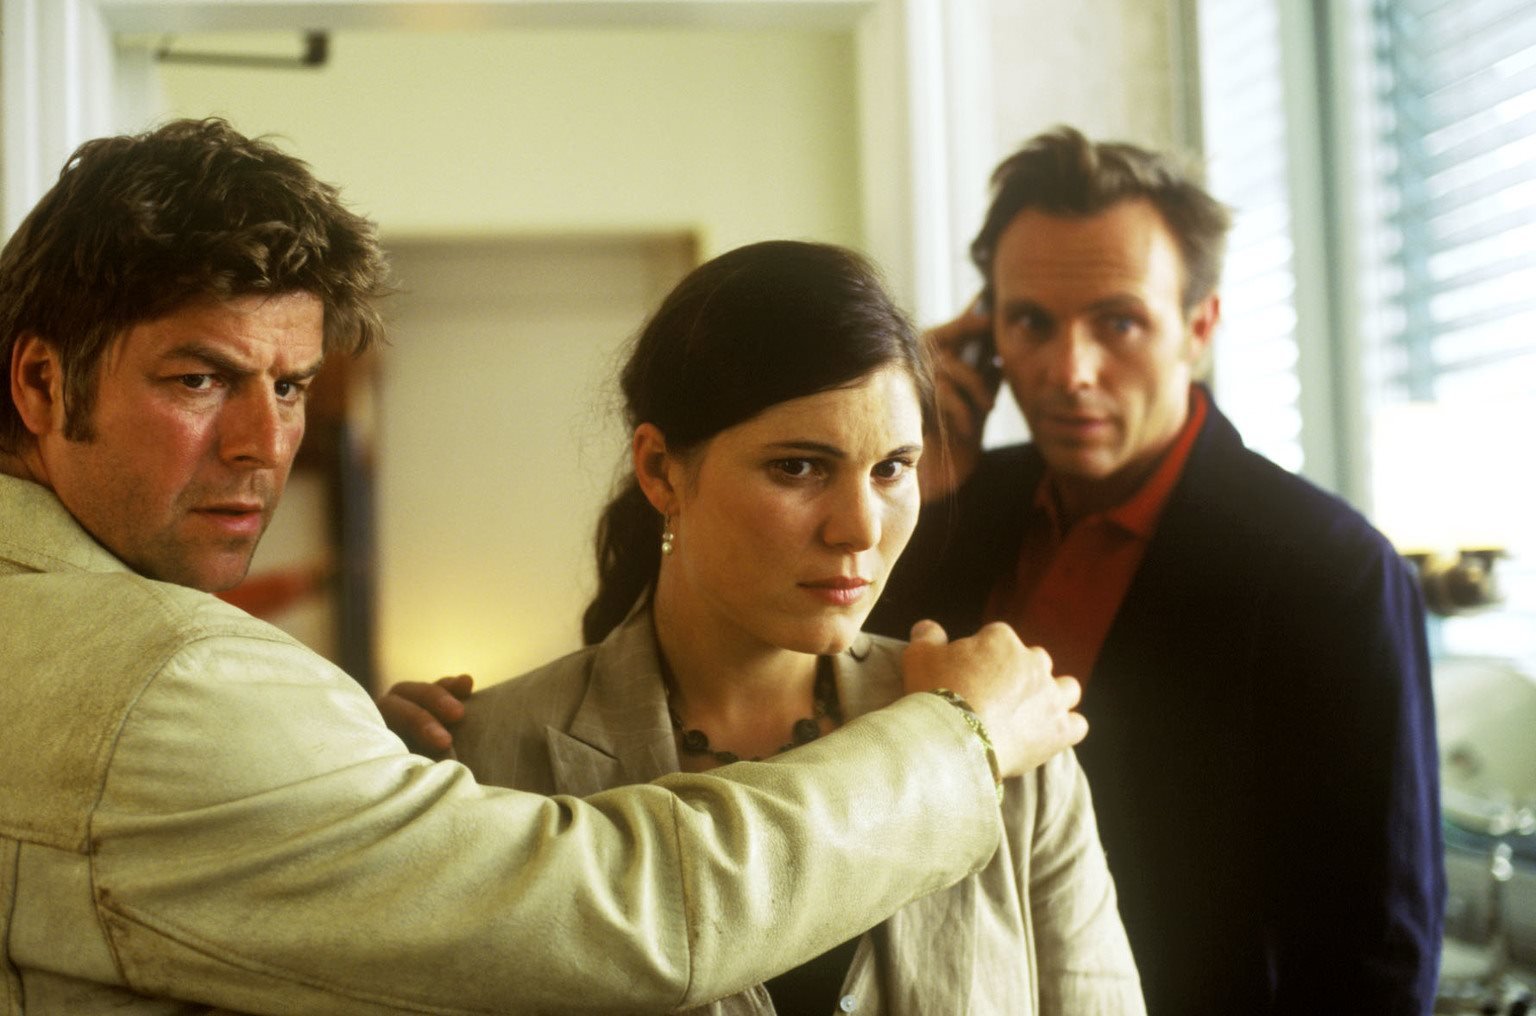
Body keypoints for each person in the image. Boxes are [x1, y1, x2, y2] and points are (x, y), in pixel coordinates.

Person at [0, 118, 1088, 1013]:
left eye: (290, 387)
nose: (262, 443)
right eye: (199, 379)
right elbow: (628, 913)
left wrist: (337, 775)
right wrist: (961, 738)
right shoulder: (234, 693)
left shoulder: (1031, 754)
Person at [384, 239, 1144, 1015]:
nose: (859, 528)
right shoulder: (484, 765)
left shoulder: (1015, 742)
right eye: (798, 467)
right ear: (659, 470)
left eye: (892, 468)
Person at [865, 126, 1446, 1014]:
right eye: (1032, 322)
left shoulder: (1329, 573)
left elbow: (1378, 954)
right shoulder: (949, 507)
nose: (1070, 371)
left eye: (1120, 321)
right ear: (986, 333)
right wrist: (912, 466)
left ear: (1199, 327)